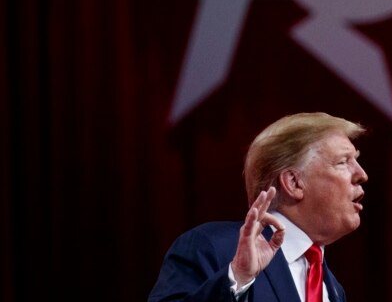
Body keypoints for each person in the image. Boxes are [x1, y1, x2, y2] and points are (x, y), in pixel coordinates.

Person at [149, 113, 369, 302]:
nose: (362, 175)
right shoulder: (213, 247)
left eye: (356, 161)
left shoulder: (334, 289)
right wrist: (237, 278)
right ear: (293, 182)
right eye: (342, 162)